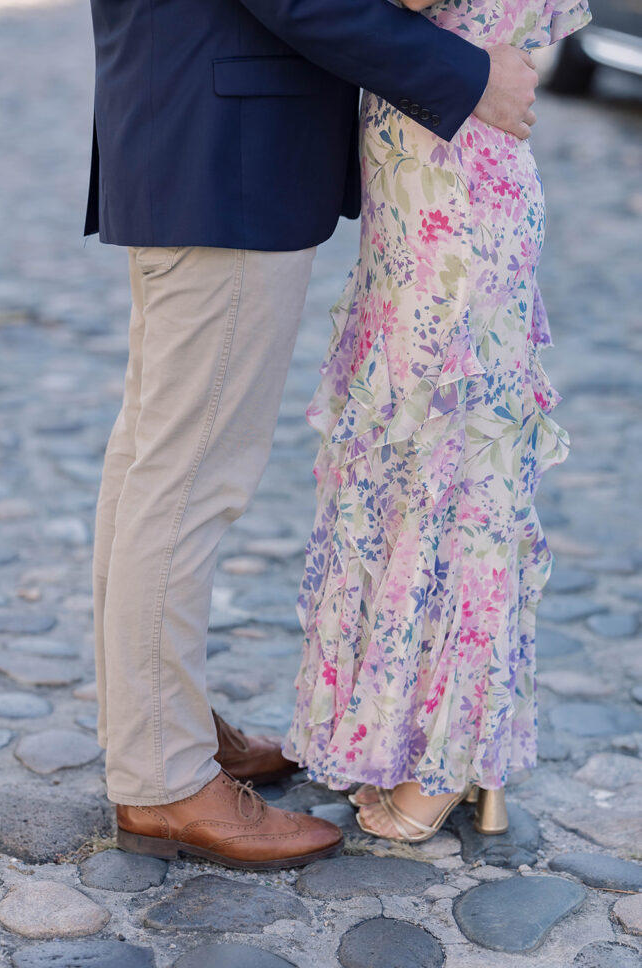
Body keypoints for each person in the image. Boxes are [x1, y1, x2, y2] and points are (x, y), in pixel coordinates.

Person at [86, 0, 540, 869]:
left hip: (195, 135)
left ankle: (157, 727)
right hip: (226, 156)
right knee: (185, 479)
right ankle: (163, 779)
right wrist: (470, 74)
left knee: (153, 461)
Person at [284, 0, 591, 843]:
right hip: (435, 161)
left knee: (447, 460)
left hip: (449, 180)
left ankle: (447, 755)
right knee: (421, 451)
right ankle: (420, 738)